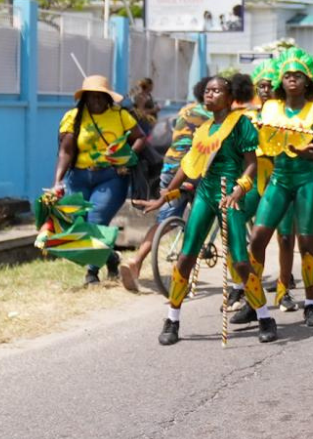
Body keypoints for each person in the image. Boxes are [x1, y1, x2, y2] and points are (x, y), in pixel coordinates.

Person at [138, 75, 275, 345]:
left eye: (217, 90)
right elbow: (188, 166)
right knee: (186, 257)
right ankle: (172, 319)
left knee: (240, 260)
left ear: (230, 96)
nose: (210, 95)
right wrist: (165, 197)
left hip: (230, 194)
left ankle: (264, 317)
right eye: (207, 90)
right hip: (205, 193)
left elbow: (251, 164)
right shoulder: (203, 130)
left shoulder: (241, 124)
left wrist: (240, 189)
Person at [243, 49, 313, 329]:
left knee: (306, 242)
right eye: (287, 75)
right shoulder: (269, 108)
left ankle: (311, 304)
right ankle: (254, 302)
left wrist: (309, 152)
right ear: (281, 81)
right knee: (257, 238)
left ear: (307, 81)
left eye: (298, 75)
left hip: (308, 180)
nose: (292, 79)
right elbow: (262, 144)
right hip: (279, 178)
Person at [119, 76, 212, 293]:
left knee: (165, 220)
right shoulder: (217, 116)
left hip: (170, 167)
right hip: (196, 170)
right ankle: (184, 274)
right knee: (201, 221)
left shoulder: (186, 111)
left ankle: (136, 262)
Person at [53, 75, 148, 286]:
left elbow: (140, 137)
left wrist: (127, 158)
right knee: (78, 224)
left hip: (111, 177)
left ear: (108, 97)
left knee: (96, 220)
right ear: (84, 98)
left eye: (100, 96)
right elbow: (65, 152)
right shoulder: (73, 117)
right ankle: (111, 258)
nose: (96, 100)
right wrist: (57, 182)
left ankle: (91, 273)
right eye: (91, 96)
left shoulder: (120, 115)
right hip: (78, 177)